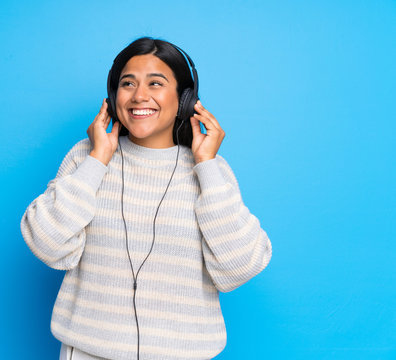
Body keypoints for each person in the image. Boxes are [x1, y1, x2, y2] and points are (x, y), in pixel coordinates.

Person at [20, 37, 272, 360]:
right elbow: (47, 243)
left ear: (184, 99)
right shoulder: (87, 158)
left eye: (156, 83)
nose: (140, 96)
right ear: (113, 97)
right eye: (128, 83)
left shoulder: (211, 170)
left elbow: (238, 267)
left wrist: (206, 166)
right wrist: (97, 161)